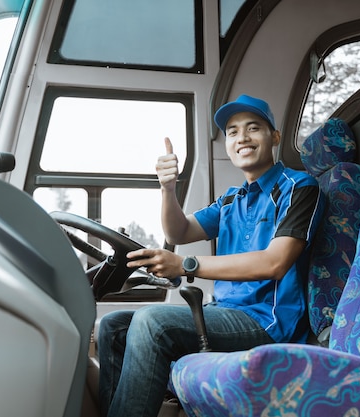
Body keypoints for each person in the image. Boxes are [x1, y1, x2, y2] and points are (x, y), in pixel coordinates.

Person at [97, 94, 324, 417]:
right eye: (232, 131)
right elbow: (179, 232)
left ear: (274, 137)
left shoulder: (299, 187)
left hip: (266, 322)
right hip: (224, 312)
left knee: (152, 322)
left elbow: (275, 263)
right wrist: (168, 188)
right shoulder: (232, 199)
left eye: (253, 128)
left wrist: (186, 265)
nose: (241, 137)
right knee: (112, 325)